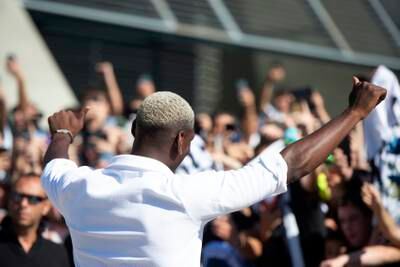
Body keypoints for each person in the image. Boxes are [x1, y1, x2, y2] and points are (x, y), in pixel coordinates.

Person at [41, 77, 386, 267]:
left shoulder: (79, 186)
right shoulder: (189, 195)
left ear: (134, 131)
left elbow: (55, 164)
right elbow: (290, 164)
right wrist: (355, 112)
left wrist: (62, 134)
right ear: (183, 140)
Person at [0, 174, 70, 267]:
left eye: (32, 199)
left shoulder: (58, 253)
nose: (23, 204)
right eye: (17, 196)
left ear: (46, 207)